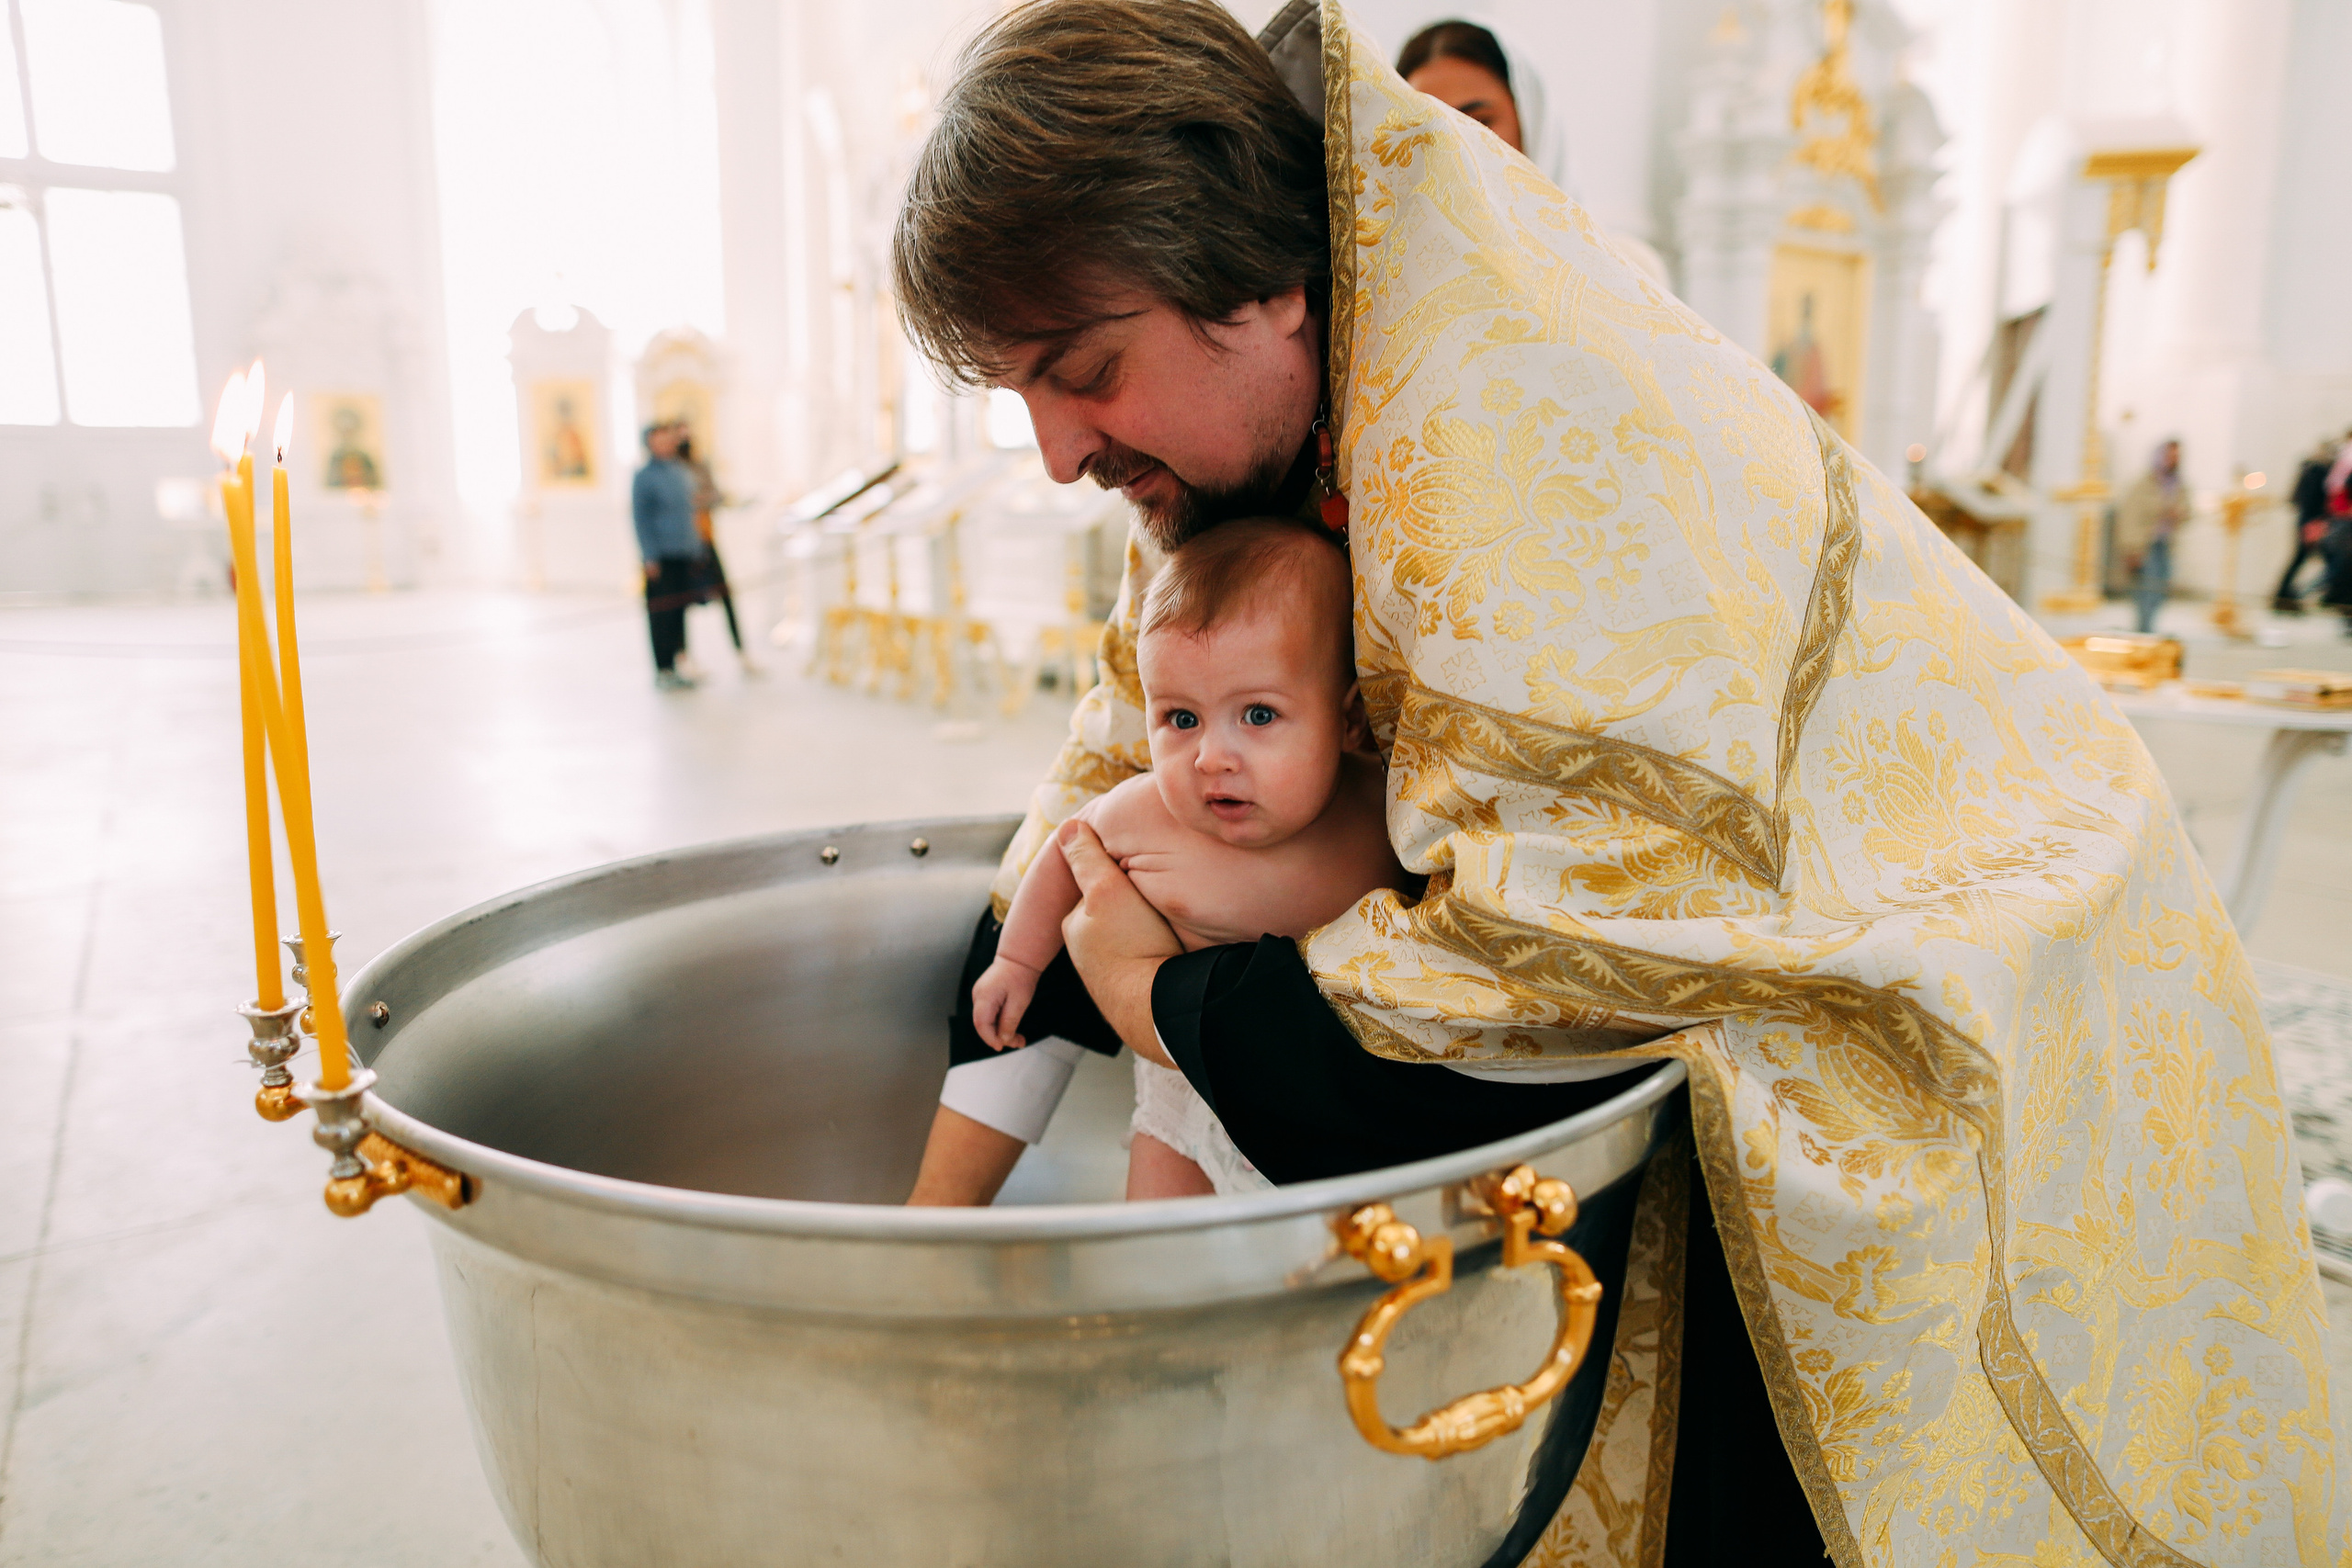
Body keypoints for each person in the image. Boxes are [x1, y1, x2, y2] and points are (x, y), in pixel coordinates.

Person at [890, 1, 2339, 1560]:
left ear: (1262, 285)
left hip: (1992, 963)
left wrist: (1157, 995)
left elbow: (1518, 1006)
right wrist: (933, 1205)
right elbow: (1113, 757)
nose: (1059, 453)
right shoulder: (1237, 445)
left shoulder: (1503, 434)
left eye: (1084, 371)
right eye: (1020, 395)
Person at [934, 518, 1410, 1201]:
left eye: (1258, 715)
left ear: (1349, 722)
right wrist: (1016, 962)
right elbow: (1066, 851)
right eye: (1181, 719)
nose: (1211, 757)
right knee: (1156, 1234)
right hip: (1184, 1089)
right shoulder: (1143, 811)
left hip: (1318, 1095)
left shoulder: (1385, 810)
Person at [673, 427, 763, 677]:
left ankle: (741, 652)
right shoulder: (672, 470)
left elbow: (712, 495)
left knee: (725, 595)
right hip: (683, 544)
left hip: (706, 538)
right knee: (682, 601)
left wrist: (705, 499)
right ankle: (683, 656)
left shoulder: (700, 465)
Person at [630, 422, 703, 690]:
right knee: (662, 612)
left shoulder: (681, 471)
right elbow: (641, 519)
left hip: (685, 552)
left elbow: (691, 511)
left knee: (679, 612)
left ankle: (679, 661)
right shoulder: (644, 476)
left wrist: (696, 547)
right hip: (661, 556)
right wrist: (649, 556)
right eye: (658, 441)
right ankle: (663, 668)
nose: (665, 445)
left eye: (667, 440)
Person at [2112, 436, 2187, 633]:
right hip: (2145, 545)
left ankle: (2148, 629)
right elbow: (2129, 517)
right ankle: (2143, 631)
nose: (2174, 459)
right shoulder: (2144, 484)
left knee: (2161, 589)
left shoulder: (2178, 484)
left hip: (2165, 543)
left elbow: (2187, 509)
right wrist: (2131, 548)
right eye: (2170, 455)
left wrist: (2178, 513)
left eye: (2177, 456)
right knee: (2146, 590)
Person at [2274, 434, 2339, 614]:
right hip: (2312, 521)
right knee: (2312, 559)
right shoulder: (2317, 470)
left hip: (2308, 519)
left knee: (2304, 559)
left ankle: (2286, 595)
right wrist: (2314, 522)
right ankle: (2285, 596)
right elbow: (2312, 499)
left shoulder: (2309, 467)